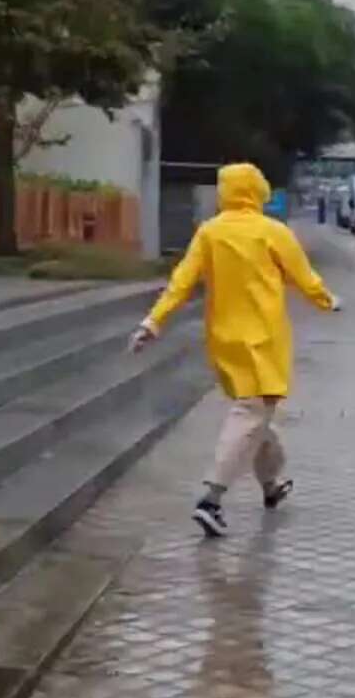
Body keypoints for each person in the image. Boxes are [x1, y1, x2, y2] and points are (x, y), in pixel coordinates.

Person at [130, 163, 340, 538]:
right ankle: (211, 498)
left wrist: (153, 322)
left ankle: (271, 486)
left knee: (258, 416)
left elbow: (181, 282)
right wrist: (328, 302)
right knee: (251, 413)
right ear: (259, 190)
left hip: (224, 339)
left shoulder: (209, 233)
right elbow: (303, 277)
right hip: (264, 340)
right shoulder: (273, 232)